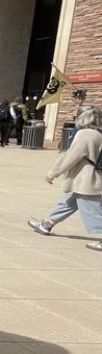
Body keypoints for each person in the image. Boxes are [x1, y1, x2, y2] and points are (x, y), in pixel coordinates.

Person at [27, 106, 102, 251]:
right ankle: (47, 224)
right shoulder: (99, 133)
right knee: (67, 202)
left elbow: (71, 156)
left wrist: (53, 172)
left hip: (86, 179)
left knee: (92, 210)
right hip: (89, 178)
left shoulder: (85, 134)